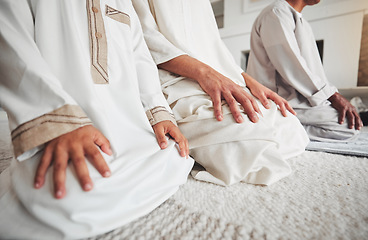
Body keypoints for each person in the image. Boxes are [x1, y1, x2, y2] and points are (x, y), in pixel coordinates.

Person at [0, 0, 194, 239]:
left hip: (130, 125)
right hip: (64, 124)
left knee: (173, 152)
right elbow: (9, 38)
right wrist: (59, 122)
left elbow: (139, 55)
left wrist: (157, 111)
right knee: (68, 194)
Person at [132, 0, 309, 186]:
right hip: (172, 78)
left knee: (291, 127)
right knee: (253, 155)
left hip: (217, 75)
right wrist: (203, 74)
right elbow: (142, 36)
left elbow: (213, 45)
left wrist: (248, 80)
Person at [247, 0, 363, 142]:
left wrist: (327, 96)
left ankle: (278, 126)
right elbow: (291, 65)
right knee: (347, 127)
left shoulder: (303, 23)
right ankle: (272, 126)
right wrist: (332, 95)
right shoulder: (276, 13)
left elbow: (311, 69)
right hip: (279, 99)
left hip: (300, 97)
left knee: (349, 121)